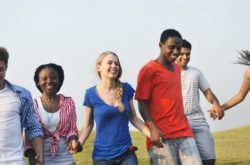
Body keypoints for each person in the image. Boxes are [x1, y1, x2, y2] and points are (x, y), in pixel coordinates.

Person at [135, 29, 202, 165]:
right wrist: (152, 129)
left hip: (184, 132)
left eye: (178, 48)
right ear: (161, 45)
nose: (176, 52)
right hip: (161, 135)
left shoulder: (177, 68)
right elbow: (142, 104)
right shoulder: (148, 70)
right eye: (171, 47)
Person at [78, 51, 151, 165]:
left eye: (116, 64)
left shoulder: (126, 89)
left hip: (126, 154)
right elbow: (88, 125)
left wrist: (151, 135)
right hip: (102, 157)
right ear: (99, 67)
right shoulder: (90, 94)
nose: (114, 66)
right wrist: (80, 144)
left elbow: (134, 119)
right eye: (110, 63)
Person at [175, 39, 223, 165]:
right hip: (178, 122)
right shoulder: (167, 73)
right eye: (182, 53)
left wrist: (216, 104)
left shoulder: (196, 72)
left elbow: (208, 93)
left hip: (198, 120)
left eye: (188, 54)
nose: (185, 57)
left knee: (209, 157)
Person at [25, 63, 79, 165]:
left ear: (59, 81)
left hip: (65, 158)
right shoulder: (32, 105)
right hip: (41, 159)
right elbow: (28, 135)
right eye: (44, 78)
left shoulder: (68, 102)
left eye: (54, 78)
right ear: (38, 82)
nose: (49, 81)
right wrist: (32, 159)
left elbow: (72, 130)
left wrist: (74, 141)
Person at [0, 47, 44, 165]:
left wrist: (39, 156)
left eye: (0, 69)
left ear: (6, 68)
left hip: (15, 161)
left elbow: (32, 126)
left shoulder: (21, 95)